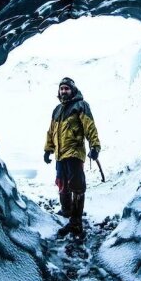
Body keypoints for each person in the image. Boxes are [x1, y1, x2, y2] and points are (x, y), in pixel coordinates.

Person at [43, 77, 101, 237]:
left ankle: (76, 223)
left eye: (67, 89)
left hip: (74, 153)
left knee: (77, 186)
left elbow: (90, 127)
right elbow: (51, 131)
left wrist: (95, 146)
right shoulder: (57, 110)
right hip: (60, 155)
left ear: (73, 90)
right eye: (61, 88)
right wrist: (48, 149)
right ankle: (67, 210)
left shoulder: (81, 106)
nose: (64, 91)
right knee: (62, 184)